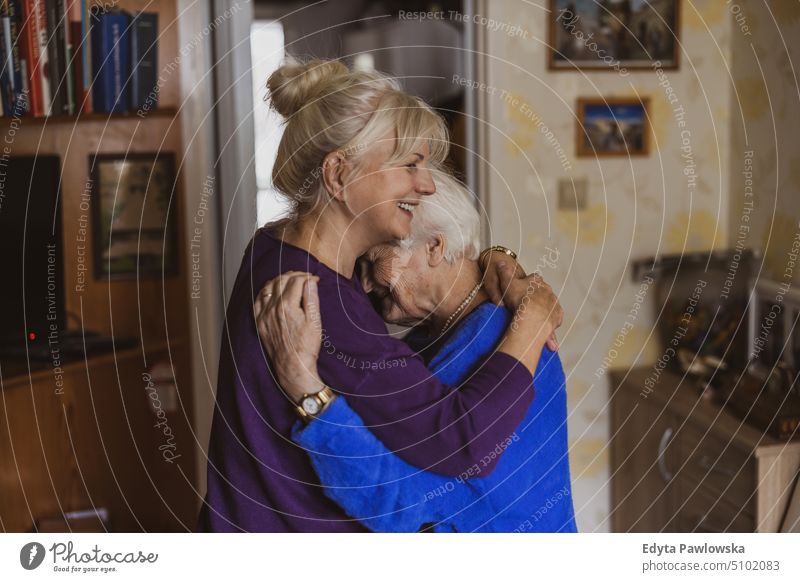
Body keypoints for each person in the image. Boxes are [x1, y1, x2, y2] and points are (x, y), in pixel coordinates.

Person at [198, 59, 563, 532]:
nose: (427, 184)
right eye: (410, 165)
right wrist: (531, 322)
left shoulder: (273, 247)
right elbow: (460, 442)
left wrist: (493, 258)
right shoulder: (325, 304)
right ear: (338, 174)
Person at [256, 171, 575, 532]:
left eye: (374, 260)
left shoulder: (500, 341)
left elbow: (398, 503)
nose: (362, 284)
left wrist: (306, 391)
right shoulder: (439, 334)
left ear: (435, 247)